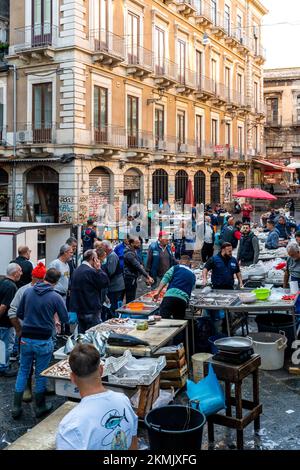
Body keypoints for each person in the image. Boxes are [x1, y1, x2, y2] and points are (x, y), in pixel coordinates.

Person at [56, 344, 138, 450]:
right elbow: (133, 444)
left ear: (72, 378)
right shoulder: (123, 400)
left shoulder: (70, 426)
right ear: (101, 370)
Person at [12, 268, 69, 419]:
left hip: (26, 338)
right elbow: (64, 318)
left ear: (44, 277)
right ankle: (40, 407)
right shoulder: (55, 297)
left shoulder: (28, 292)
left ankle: (16, 408)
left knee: (23, 370)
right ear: (56, 282)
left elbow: (19, 314)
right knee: (41, 373)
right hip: (43, 339)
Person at [8, 262, 47, 402]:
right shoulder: (23, 291)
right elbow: (12, 311)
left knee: (40, 364)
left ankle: (40, 388)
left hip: (42, 335)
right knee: (26, 365)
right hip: (27, 335)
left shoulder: (47, 292)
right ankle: (28, 389)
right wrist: (18, 329)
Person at [70, 249, 109, 333]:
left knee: (83, 335)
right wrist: (99, 269)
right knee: (92, 336)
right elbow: (105, 282)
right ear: (93, 259)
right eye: (97, 258)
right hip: (91, 308)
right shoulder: (90, 271)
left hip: (80, 309)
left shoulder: (77, 270)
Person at [0, 263, 22, 377]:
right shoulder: (11, 287)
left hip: (2, 322)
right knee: (6, 345)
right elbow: (4, 306)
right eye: (20, 271)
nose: (21, 273)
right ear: (15, 273)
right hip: (5, 322)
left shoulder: (2, 282)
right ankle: (3, 368)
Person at [124, 238, 154, 303]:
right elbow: (137, 266)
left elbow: (140, 263)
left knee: (132, 296)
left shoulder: (134, 251)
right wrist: (147, 276)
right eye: (137, 243)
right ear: (131, 244)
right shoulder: (129, 254)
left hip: (133, 276)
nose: (139, 244)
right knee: (130, 298)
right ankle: (128, 311)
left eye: (139, 242)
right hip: (129, 278)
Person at [100, 241, 125, 317]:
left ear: (106, 247)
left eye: (102, 246)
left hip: (116, 287)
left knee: (113, 306)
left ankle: (114, 320)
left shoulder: (112, 256)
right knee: (111, 306)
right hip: (113, 286)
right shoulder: (109, 255)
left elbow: (111, 271)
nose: (101, 248)